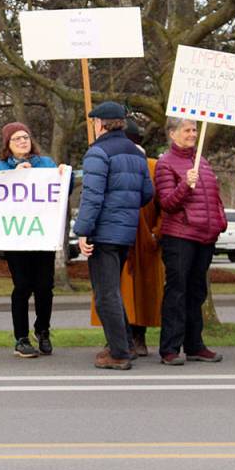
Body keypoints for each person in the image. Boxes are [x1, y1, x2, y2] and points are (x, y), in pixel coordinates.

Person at [74, 102, 154, 371]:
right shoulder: (136, 153)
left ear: (100, 124)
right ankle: (126, 343)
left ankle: (119, 352)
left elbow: (92, 196)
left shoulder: (97, 152)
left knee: (105, 293)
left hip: (103, 231)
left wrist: (83, 231)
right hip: (125, 231)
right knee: (113, 291)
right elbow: (147, 193)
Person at [154, 118, 227, 365]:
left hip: (204, 235)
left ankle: (195, 345)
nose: (193, 134)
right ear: (172, 133)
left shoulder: (202, 162)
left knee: (197, 292)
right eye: (187, 130)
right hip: (179, 236)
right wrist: (185, 184)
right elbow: (167, 203)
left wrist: (220, 219)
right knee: (177, 291)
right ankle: (170, 348)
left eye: (194, 129)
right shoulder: (165, 163)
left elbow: (214, 196)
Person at [0, 122, 59, 358]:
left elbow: (62, 190)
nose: (22, 141)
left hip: (42, 234)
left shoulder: (46, 164)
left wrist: (64, 175)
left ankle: (43, 329)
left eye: (26, 137)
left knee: (44, 287)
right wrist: (14, 177)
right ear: (8, 145)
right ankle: (21, 338)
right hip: (16, 236)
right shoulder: (0, 167)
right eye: (17, 138)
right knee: (22, 286)